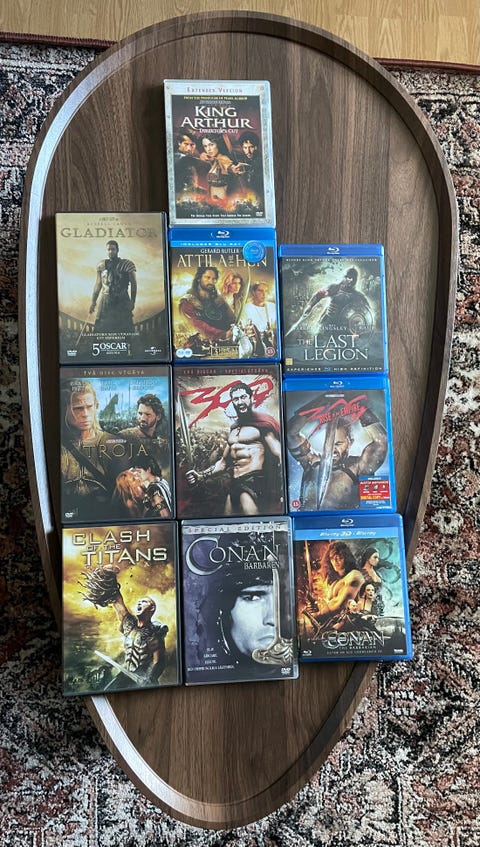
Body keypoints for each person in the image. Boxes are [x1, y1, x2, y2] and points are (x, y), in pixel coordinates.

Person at [186, 381, 283, 515]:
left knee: (253, 523)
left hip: (253, 482)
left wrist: (283, 490)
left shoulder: (263, 425)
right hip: (235, 483)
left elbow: (280, 455)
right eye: (236, 399)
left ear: (251, 398)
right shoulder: (233, 429)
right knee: (228, 521)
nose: (240, 402)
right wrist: (201, 476)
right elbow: (223, 463)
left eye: (243, 397)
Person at [287, 402, 388, 511]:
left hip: (342, 521)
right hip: (307, 520)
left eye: (338, 444)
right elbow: (290, 434)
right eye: (330, 444)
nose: (333, 449)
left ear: (350, 442)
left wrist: (360, 409)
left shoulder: (358, 468)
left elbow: (382, 441)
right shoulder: (312, 462)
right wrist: (315, 405)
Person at [81, 565, 168, 690]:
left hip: (143, 677)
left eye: (144, 602)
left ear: (152, 608)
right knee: (109, 690)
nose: (140, 602)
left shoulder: (154, 632)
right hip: (126, 672)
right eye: (139, 601)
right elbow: (117, 601)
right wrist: (108, 576)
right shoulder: (129, 624)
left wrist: (150, 678)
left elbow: (158, 661)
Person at [60, 379, 120, 520]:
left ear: (96, 406)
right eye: (78, 408)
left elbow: (123, 496)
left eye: (89, 407)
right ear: (64, 409)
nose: (85, 414)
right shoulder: (57, 445)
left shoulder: (112, 444)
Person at [89, 240, 137, 332]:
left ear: (117, 250)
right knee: (102, 329)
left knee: (124, 328)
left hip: (122, 300)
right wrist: (93, 302)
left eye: (113, 249)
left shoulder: (127, 265)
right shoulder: (101, 265)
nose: (110, 251)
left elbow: (134, 284)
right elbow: (98, 284)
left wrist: (132, 301)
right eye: (108, 249)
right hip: (105, 301)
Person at [179, 266, 236, 342]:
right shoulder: (188, 301)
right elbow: (196, 324)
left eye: (214, 279)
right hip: (199, 343)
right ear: (199, 278)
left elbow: (231, 318)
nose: (211, 281)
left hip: (225, 341)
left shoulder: (218, 300)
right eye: (207, 277)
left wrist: (233, 329)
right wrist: (222, 334)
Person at [199, 134, 244, 199]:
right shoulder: (213, 160)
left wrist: (234, 169)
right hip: (213, 200)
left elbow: (228, 165)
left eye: (211, 145)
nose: (208, 149)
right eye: (205, 146)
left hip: (222, 200)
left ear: (218, 144)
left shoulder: (222, 158)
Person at [242, 281, 277, 354]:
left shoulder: (273, 307)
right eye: (260, 291)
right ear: (253, 292)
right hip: (254, 344)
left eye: (266, 291)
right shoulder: (246, 308)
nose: (264, 294)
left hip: (271, 342)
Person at [237, 130, 264, 197]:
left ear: (256, 147)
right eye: (245, 148)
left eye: (251, 147)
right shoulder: (243, 159)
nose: (248, 151)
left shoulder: (261, 161)